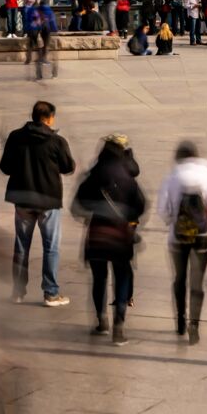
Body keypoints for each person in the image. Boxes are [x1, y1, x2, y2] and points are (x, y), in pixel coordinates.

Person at [0, 101, 76, 307]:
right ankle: (50, 292)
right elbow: (68, 167)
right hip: (48, 200)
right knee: (51, 247)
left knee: (21, 246)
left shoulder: (16, 137)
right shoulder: (57, 141)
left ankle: (17, 291)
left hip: (22, 199)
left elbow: (5, 167)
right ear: (49, 118)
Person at [73, 134, 144, 345]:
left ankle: (101, 321)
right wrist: (130, 218)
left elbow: (78, 203)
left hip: (97, 234)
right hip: (120, 235)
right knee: (122, 276)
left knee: (99, 278)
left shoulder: (94, 174)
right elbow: (140, 205)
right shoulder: (127, 177)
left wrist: (93, 210)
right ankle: (119, 327)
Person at [157, 141, 207, 345]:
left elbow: (162, 208)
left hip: (178, 237)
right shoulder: (206, 174)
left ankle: (180, 321)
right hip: (203, 236)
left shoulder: (172, 176)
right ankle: (194, 324)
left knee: (179, 278)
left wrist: (172, 221)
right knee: (197, 281)